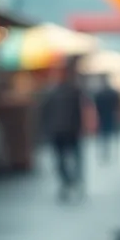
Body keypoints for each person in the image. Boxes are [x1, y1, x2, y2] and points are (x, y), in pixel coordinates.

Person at [43, 59, 86, 200]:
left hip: (65, 131)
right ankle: (70, 181)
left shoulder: (66, 91)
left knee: (66, 159)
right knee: (67, 159)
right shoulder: (70, 91)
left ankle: (70, 181)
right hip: (64, 131)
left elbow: (45, 113)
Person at [93, 76, 120, 162]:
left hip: (102, 117)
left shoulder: (99, 94)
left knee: (104, 137)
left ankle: (105, 154)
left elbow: (96, 107)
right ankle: (113, 154)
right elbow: (118, 105)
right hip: (111, 116)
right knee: (112, 137)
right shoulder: (113, 93)